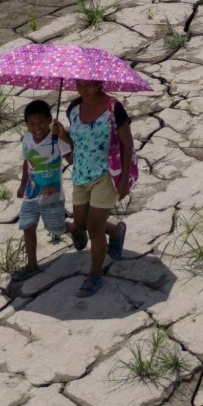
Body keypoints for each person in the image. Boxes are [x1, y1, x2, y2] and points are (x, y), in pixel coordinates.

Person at [64, 78, 136, 298]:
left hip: (106, 174)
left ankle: (95, 276)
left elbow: (127, 144)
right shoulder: (73, 108)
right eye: (79, 84)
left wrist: (124, 180)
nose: (83, 89)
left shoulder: (114, 109)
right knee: (81, 222)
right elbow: (75, 145)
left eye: (89, 84)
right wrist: (61, 135)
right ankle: (116, 231)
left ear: (100, 83)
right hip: (80, 174)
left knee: (94, 227)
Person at [13, 100, 70, 279]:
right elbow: (27, 162)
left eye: (41, 122)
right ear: (27, 125)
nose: (37, 127)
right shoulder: (28, 139)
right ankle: (32, 265)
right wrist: (23, 185)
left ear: (50, 120)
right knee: (28, 227)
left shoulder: (56, 139)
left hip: (52, 196)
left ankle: (75, 229)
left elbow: (72, 159)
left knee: (57, 229)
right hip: (31, 194)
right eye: (32, 123)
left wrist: (63, 136)